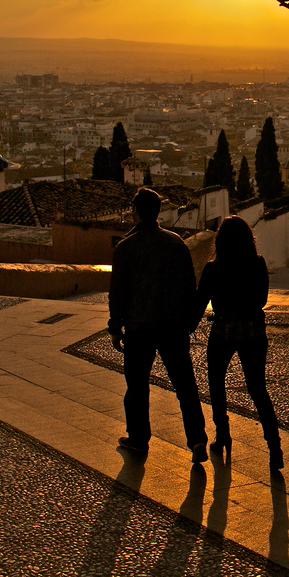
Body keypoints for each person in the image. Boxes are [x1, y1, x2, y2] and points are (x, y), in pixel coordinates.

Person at [109, 187, 208, 464]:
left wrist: (115, 326)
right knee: (185, 385)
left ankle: (139, 439)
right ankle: (197, 438)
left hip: (139, 328)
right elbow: (189, 286)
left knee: (137, 387)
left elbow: (118, 291)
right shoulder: (176, 243)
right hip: (173, 327)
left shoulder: (126, 247)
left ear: (136, 211)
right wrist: (188, 322)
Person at [193, 215, 283, 471]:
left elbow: (199, 304)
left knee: (216, 385)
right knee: (258, 390)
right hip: (254, 331)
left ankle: (223, 435)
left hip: (223, 331)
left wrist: (185, 328)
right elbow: (262, 300)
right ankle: (274, 447)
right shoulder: (258, 264)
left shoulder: (213, 269)